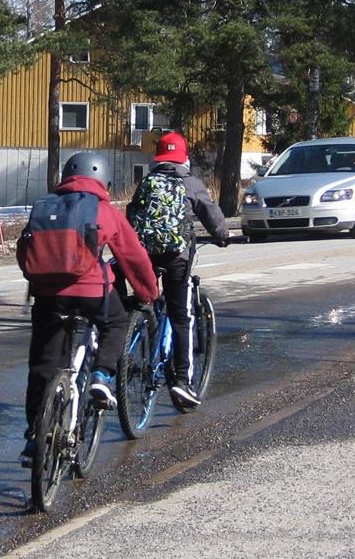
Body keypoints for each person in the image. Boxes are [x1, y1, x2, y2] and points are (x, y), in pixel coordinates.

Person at [20, 152, 159, 464]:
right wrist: (148, 293)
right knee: (116, 322)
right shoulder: (104, 210)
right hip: (92, 293)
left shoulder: (44, 206)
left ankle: (34, 438)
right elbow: (132, 257)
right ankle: (100, 376)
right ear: (103, 181)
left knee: (43, 367)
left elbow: (24, 250)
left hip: (47, 296)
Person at [127, 131, 230, 409]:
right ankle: (182, 381)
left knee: (146, 300)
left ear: (157, 158)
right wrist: (223, 235)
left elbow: (131, 214)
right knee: (181, 316)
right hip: (176, 257)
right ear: (184, 158)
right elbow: (211, 215)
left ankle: (139, 335)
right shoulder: (191, 183)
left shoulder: (147, 182)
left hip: (145, 254)